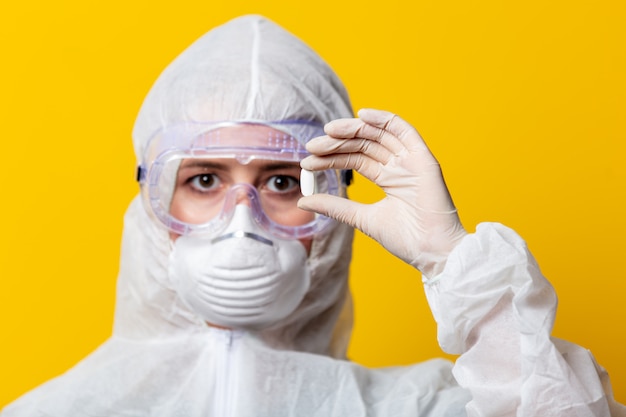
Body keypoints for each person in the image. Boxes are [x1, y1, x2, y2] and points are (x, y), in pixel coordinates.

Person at [2, 14, 624, 417]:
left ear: (329, 208)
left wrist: (453, 259)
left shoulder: (421, 407)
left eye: (278, 180)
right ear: (153, 204)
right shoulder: (53, 412)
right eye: (204, 179)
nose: (240, 219)